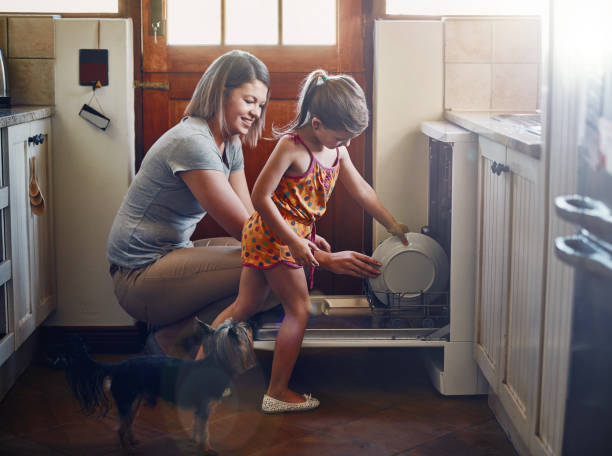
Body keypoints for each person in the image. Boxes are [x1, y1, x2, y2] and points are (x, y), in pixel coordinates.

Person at [106, 51, 384, 357]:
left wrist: (301, 239)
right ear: (220, 92)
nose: (256, 112)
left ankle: (174, 339)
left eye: (261, 105)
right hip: (138, 276)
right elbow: (245, 229)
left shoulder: (230, 142)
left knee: (273, 260)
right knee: (273, 265)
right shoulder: (193, 143)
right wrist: (317, 255)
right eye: (249, 100)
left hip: (172, 255)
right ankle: (175, 344)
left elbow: (254, 220)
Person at [211, 69, 409, 413]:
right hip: (275, 238)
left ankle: (200, 373)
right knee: (298, 310)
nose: (345, 145)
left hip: (281, 237)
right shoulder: (292, 147)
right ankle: (277, 391)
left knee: (244, 307)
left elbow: (361, 190)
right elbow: (260, 197)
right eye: (340, 138)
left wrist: (391, 223)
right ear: (316, 123)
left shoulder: (337, 151)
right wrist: (296, 242)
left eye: (349, 139)